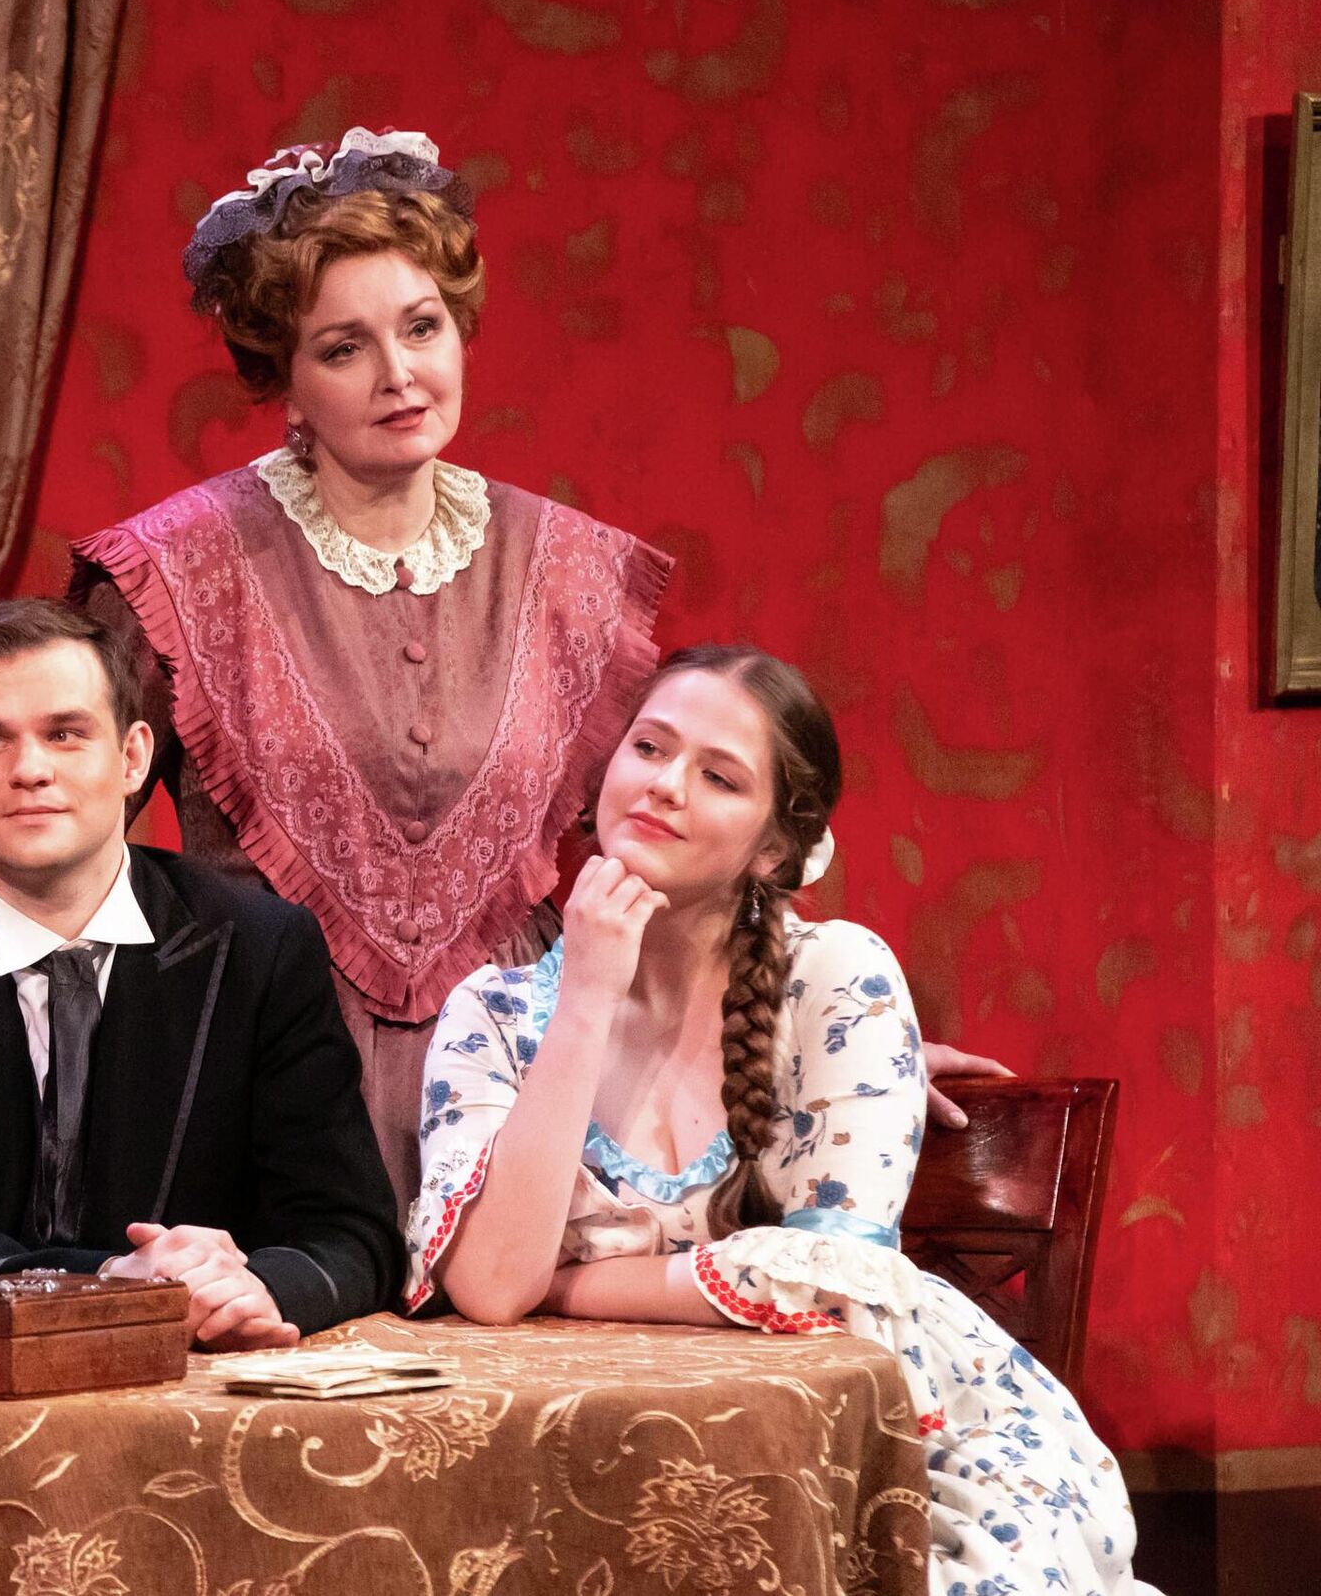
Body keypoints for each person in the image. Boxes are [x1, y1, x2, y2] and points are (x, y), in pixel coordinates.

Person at [73, 124, 1007, 1208]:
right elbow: (66, 854)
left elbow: (671, 837)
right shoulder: (172, 569)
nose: (399, 374)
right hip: (258, 1091)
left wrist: (824, 1031)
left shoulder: (573, 572)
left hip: (520, 1102)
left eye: (423, 327)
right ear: (284, 378)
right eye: (343, 348)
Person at [407, 645, 1158, 1595]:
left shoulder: (835, 977)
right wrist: (587, 996)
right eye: (649, 747)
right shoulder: (493, 1011)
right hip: (600, 1460)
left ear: (771, 847)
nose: (665, 784)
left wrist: (570, 1283)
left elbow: (834, 1279)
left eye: (719, 776)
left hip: (881, 1450)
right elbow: (490, 1284)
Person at [0, 599, 402, 1349]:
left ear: (133, 757)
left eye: (65, 733)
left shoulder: (261, 949)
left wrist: (254, 1288)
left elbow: (353, 1233)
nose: (30, 770)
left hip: (197, 1391)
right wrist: (110, 1282)